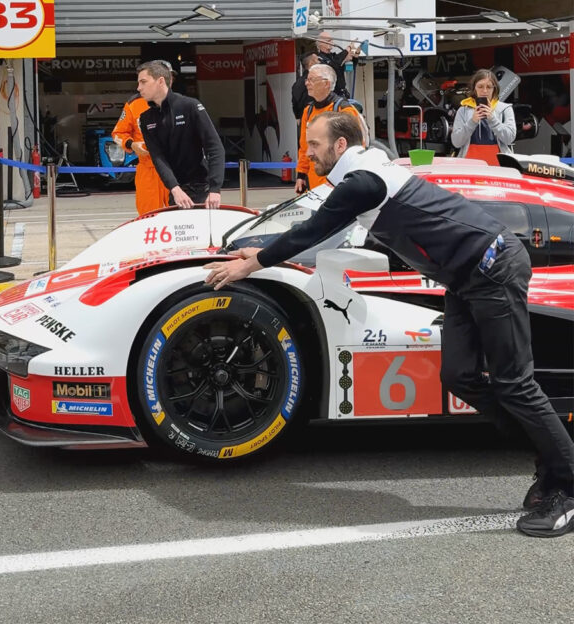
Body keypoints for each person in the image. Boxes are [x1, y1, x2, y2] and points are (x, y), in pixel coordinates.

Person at [206, 111, 574, 539]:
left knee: (514, 382)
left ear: (340, 146)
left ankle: (565, 482)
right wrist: (260, 247)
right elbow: (319, 226)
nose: (307, 151)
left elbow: (317, 228)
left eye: (314, 143)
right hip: (464, 276)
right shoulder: (364, 170)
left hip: (492, 266)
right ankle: (551, 455)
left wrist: (253, 262)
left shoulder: (362, 180)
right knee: (459, 376)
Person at [137, 60, 225, 209]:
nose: (139, 88)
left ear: (160, 81)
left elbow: (215, 148)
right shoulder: (146, 118)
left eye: (143, 82)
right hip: (175, 192)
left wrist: (215, 189)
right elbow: (158, 158)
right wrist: (175, 189)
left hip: (201, 189)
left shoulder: (190, 106)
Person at [296, 63, 366, 193]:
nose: (307, 83)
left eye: (312, 79)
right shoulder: (308, 111)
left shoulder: (344, 110)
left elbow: (357, 148)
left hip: (337, 184)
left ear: (326, 84)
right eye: (307, 79)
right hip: (313, 183)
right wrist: (301, 174)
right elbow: (304, 147)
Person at [112, 89, 168, 216]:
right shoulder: (134, 104)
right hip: (148, 169)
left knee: (180, 216)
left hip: (175, 167)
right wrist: (131, 144)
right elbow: (117, 133)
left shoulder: (180, 103)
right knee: (148, 217)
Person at [452, 69, 516, 164]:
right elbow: (456, 142)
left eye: (489, 87)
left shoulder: (505, 109)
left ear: (495, 89)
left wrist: (492, 119)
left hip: (499, 168)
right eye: (480, 86)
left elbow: (510, 138)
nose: (484, 91)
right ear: (474, 88)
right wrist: (472, 122)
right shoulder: (463, 110)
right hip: (469, 167)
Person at [316, 31, 352, 98]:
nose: (331, 42)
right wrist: (347, 50)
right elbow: (333, 65)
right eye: (329, 40)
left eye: (332, 40)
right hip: (331, 94)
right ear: (321, 43)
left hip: (342, 93)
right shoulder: (319, 59)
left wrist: (352, 56)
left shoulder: (333, 56)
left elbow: (339, 63)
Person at [291, 52, 319, 121]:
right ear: (311, 64)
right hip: (315, 119)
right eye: (317, 60)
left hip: (302, 119)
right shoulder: (317, 81)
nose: (320, 62)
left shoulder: (297, 83)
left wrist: (297, 117)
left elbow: (294, 103)